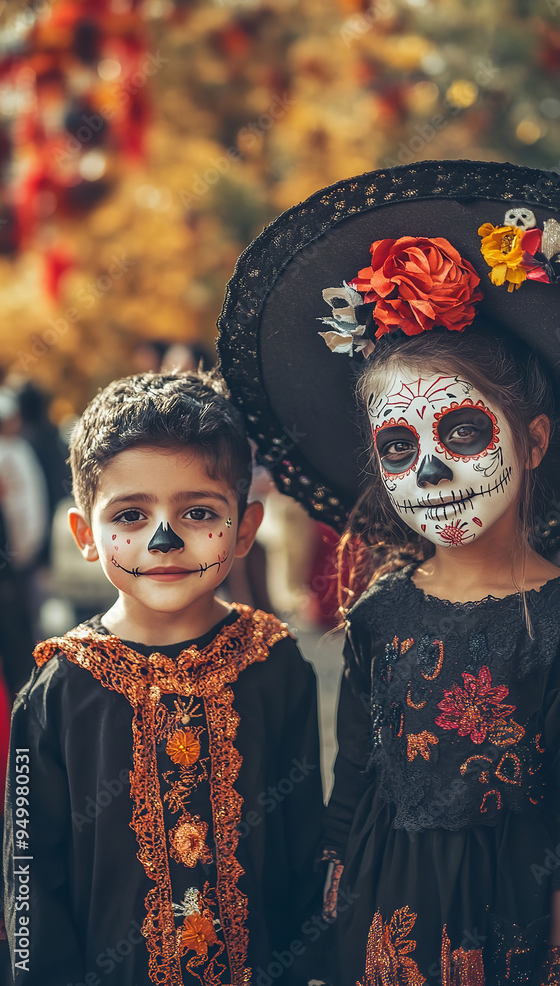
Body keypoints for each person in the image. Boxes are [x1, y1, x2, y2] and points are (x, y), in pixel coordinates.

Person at [216, 160, 560, 984]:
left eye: (465, 433)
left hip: (522, 904)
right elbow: (361, 764)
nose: (432, 474)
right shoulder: (380, 612)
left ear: (535, 442)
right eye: (400, 450)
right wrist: (338, 865)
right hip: (389, 899)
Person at [3, 370, 324, 986]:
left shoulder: (272, 661)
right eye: (130, 513)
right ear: (85, 536)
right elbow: (28, 872)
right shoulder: (57, 689)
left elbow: (302, 843)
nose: (164, 538)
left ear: (246, 529)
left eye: (198, 511)